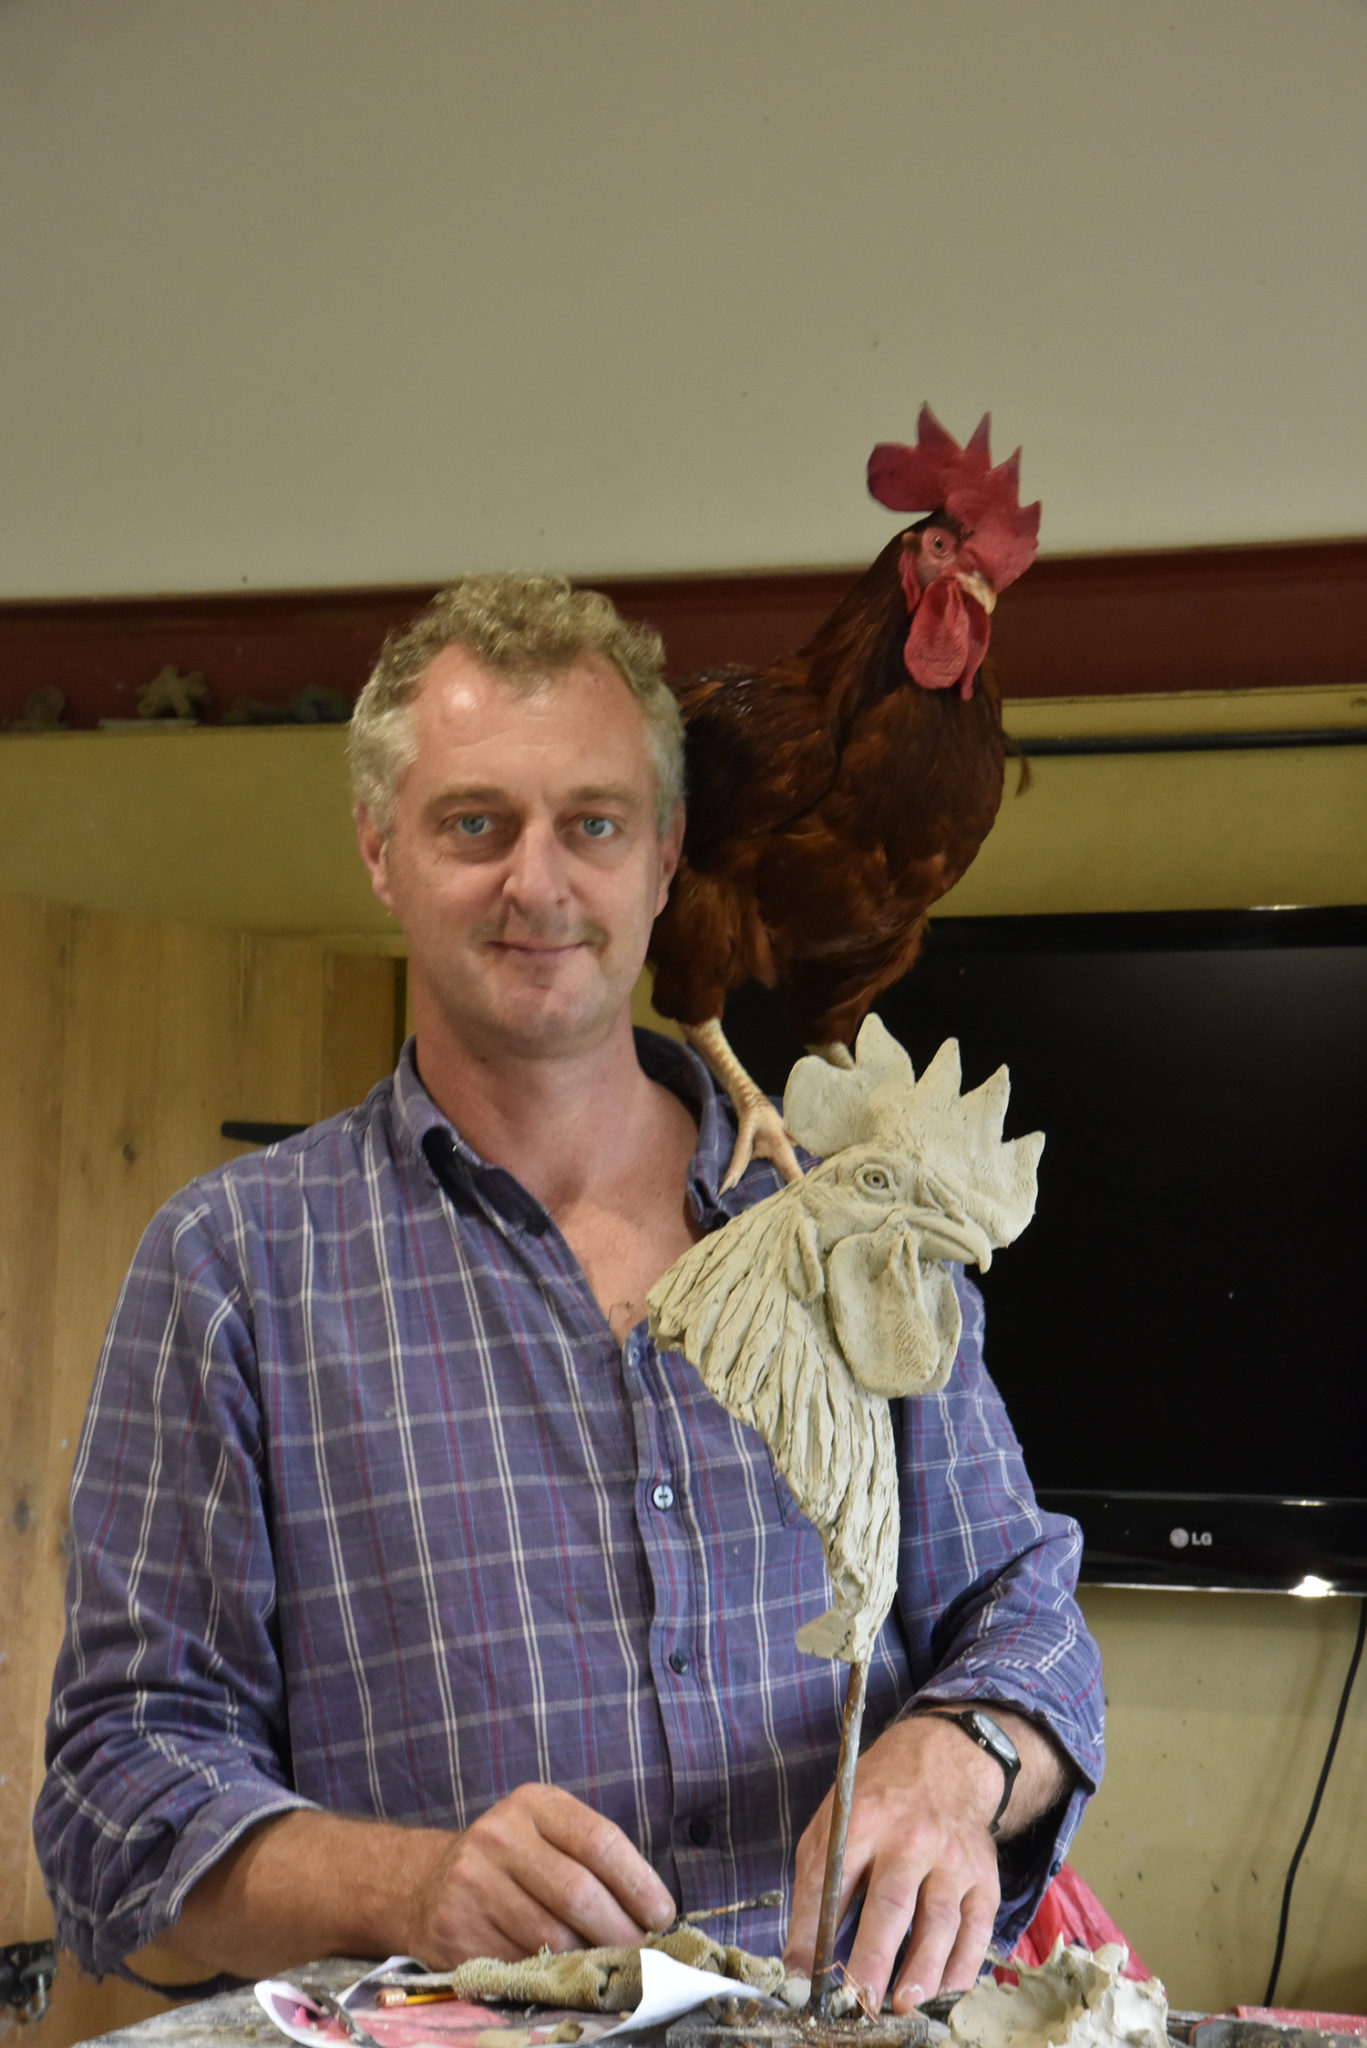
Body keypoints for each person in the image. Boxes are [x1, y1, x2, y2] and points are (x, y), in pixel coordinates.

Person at [34, 574, 1104, 2014]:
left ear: (667, 853)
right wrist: (407, 1888)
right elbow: (116, 1789)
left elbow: (1021, 1606)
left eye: (592, 825)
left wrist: (961, 1753)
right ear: (378, 850)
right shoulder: (233, 1270)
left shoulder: (851, 1224)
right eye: (474, 823)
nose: (538, 882)